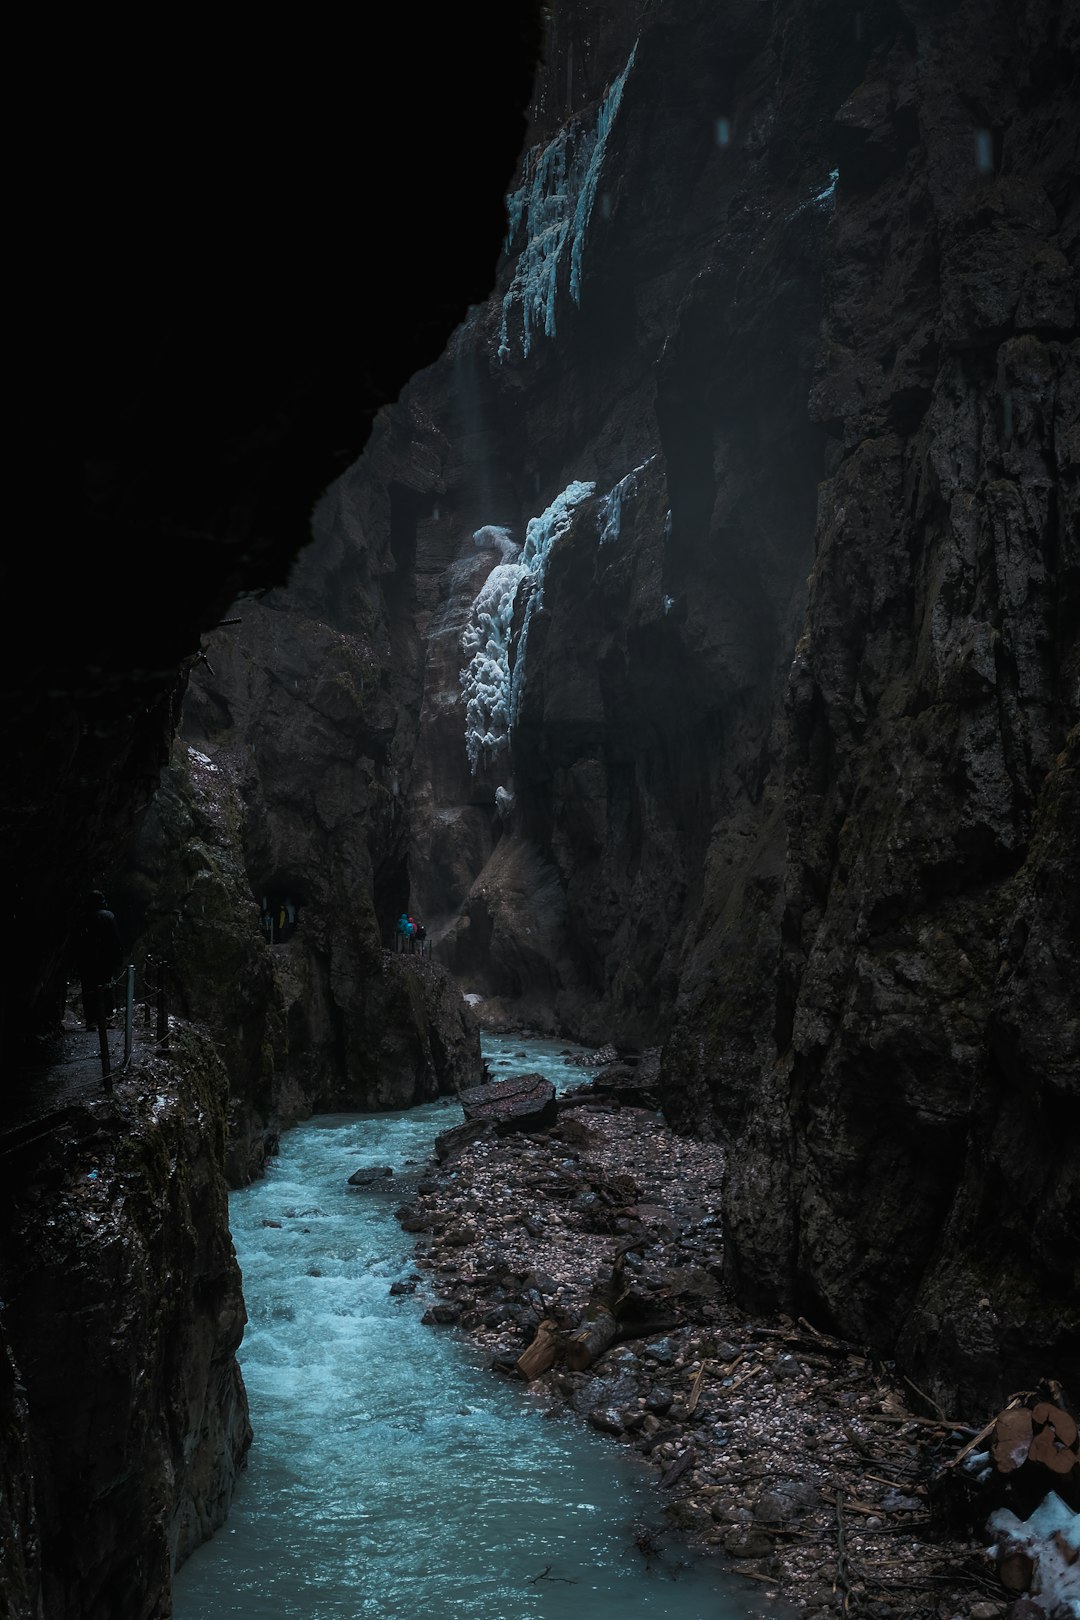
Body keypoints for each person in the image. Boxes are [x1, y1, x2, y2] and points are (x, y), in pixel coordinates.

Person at [77, 891, 125, 1029]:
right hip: (105, 960)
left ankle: (91, 1020)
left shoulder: (83, 917)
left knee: (88, 989)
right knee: (107, 989)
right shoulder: (108, 916)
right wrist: (118, 957)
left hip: (87, 960)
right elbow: (115, 939)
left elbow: (78, 940)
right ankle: (107, 1018)